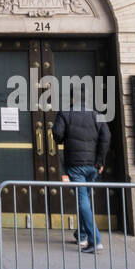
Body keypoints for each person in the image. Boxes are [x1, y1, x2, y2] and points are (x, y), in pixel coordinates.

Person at [53, 108, 110, 252]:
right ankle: (82, 234)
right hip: (93, 166)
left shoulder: (65, 113)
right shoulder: (98, 115)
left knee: (83, 201)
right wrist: (100, 161)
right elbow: (106, 136)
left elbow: (58, 134)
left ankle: (95, 240)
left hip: (76, 165)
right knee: (85, 200)